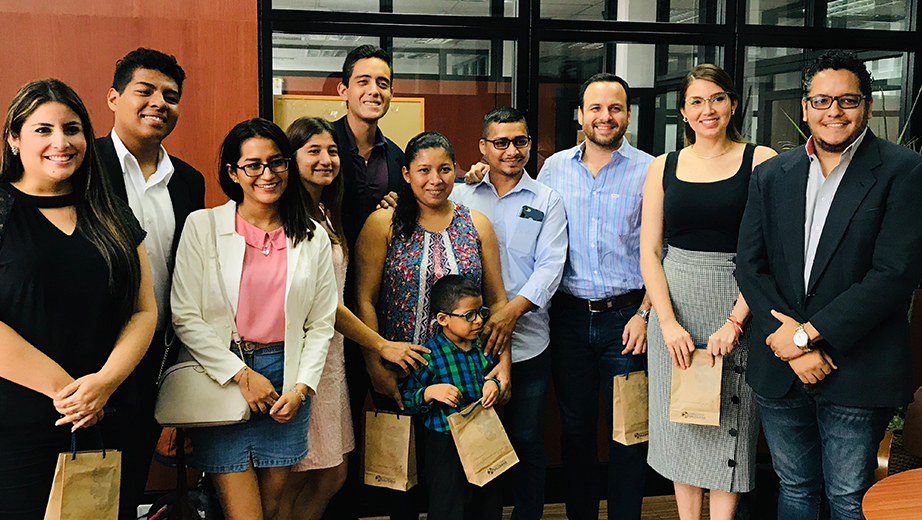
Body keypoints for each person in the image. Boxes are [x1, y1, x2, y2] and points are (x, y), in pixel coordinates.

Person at [736, 49, 922, 520]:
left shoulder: (903, 172)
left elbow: (894, 276)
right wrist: (791, 346)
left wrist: (805, 336)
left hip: (858, 366)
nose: (833, 112)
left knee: (848, 497)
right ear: (804, 108)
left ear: (868, 106)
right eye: (821, 101)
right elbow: (749, 266)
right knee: (795, 489)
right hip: (781, 369)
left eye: (847, 101)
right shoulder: (772, 174)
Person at [0, 78, 157, 520]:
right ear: (14, 138)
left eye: (72, 129)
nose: (61, 142)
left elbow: (144, 310)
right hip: (21, 424)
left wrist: (104, 383)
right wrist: (72, 396)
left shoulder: (110, 210)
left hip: (113, 414)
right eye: (43, 130)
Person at [170, 118, 337, 520]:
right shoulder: (204, 226)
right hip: (223, 374)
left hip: (286, 379)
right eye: (253, 165)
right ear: (233, 172)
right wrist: (241, 375)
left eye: (276, 162)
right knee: (243, 513)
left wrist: (300, 389)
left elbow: (321, 321)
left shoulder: (311, 235)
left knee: (276, 505)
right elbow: (185, 314)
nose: (267, 174)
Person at [639, 64, 776, 520]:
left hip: (738, 304)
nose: (707, 109)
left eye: (717, 98)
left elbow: (769, 253)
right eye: (696, 101)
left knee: (728, 423)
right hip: (673, 307)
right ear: (682, 111)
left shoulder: (761, 160)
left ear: (733, 103)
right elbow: (650, 251)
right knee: (681, 421)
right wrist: (667, 323)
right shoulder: (664, 166)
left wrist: (736, 320)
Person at [278, 117, 428, 520]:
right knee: (295, 474)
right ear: (290, 159)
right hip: (301, 359)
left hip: (332, 357)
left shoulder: (326, 210)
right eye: (313, 151)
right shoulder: (284, 218)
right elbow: (325, 303)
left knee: (332, 473)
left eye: (331, 151)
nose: (326, 160)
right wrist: (380, 345)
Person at [536, 72, 654, 520]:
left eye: (616, 108)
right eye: (597, 109)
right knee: (575, 432)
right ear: (580, 115)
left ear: (627, 114)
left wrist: (645, 313)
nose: (606, 117)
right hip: (566, 321)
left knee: (629, 432)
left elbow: (660, 250)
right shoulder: (553, 169)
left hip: (628, 321)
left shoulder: (650, 169)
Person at [97, 47, 206, 514]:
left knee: (130, 481)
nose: (159, 102)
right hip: (90, 356)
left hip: (156, 358)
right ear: (113, 98)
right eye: (145, 90)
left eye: (171, 95)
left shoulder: (189, 181)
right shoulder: (84, 167)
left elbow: (190, 275)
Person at [450, 106, 567, 519]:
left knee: (526, 440)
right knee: (474, 439)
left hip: (529, 342)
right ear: (483, 146)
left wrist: (508, 313)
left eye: (520, 141)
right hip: (466, 347)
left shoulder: (547, 200)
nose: (511, 150)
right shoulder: (460, 194)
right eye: (500, 142)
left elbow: (551, 267)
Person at [327, 43, 410, 520]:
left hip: (377, 308)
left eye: (382, 83)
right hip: (321, 308)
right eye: (363, 81)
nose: (373, 90)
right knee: (331, 430)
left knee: (385, 421)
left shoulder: (397, 157)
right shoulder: (320, 146)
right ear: (343, 90)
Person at [399, 275, 503, 520]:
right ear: (443, 319)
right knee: (447, 505)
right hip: (445, 443)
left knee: (487, 502)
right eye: (469, 315)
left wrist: (494, 385)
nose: (478, 321)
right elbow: (405, 400)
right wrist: (428, 393)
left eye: (481, 312)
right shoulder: (429, 355)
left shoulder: (482, 348)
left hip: (484, 436)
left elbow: (496, 375)